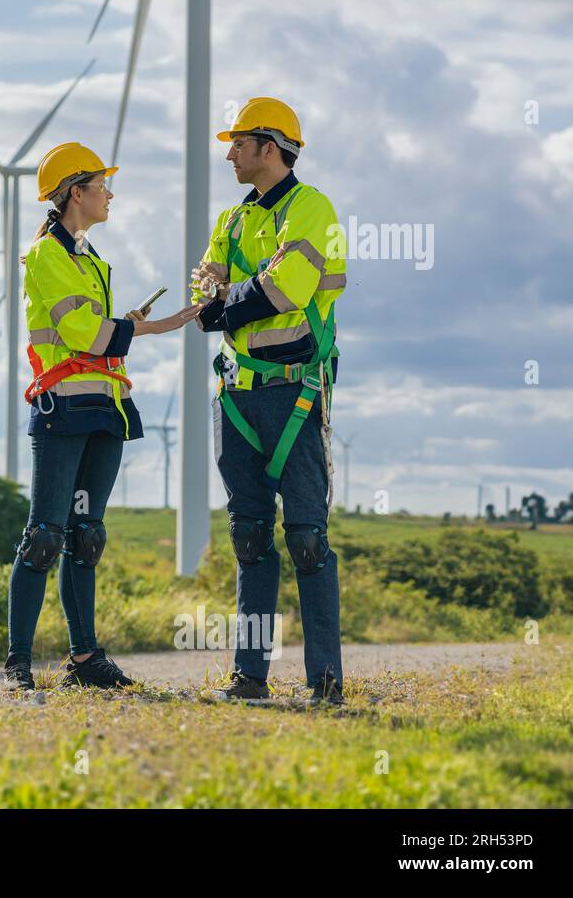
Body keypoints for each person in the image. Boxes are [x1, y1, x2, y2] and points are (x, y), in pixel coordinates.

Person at [3, 142, 202, 691]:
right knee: (44, 535)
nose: (110, 195)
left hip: (106, 410)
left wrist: (127, 324)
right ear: (75, 193)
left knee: (86, 535)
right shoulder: (46, 256)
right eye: (101, 186)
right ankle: (17, 664)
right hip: (63, 410)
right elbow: (83, 334)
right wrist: (151, 327)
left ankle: (84, 661)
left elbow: (103, 338)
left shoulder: (94, 261)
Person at [191, 97, 348, 704]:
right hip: (236, 397)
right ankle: (249, 677)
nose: (229, 154)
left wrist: (236, 291)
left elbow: (286, 290)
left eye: (238, 144)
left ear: (269, 146)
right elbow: (207, 302)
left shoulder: (313, 209)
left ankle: (325, 683)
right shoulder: (231, 221)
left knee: (307, 538)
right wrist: (240, 292)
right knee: (250, 537)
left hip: (296, 395)